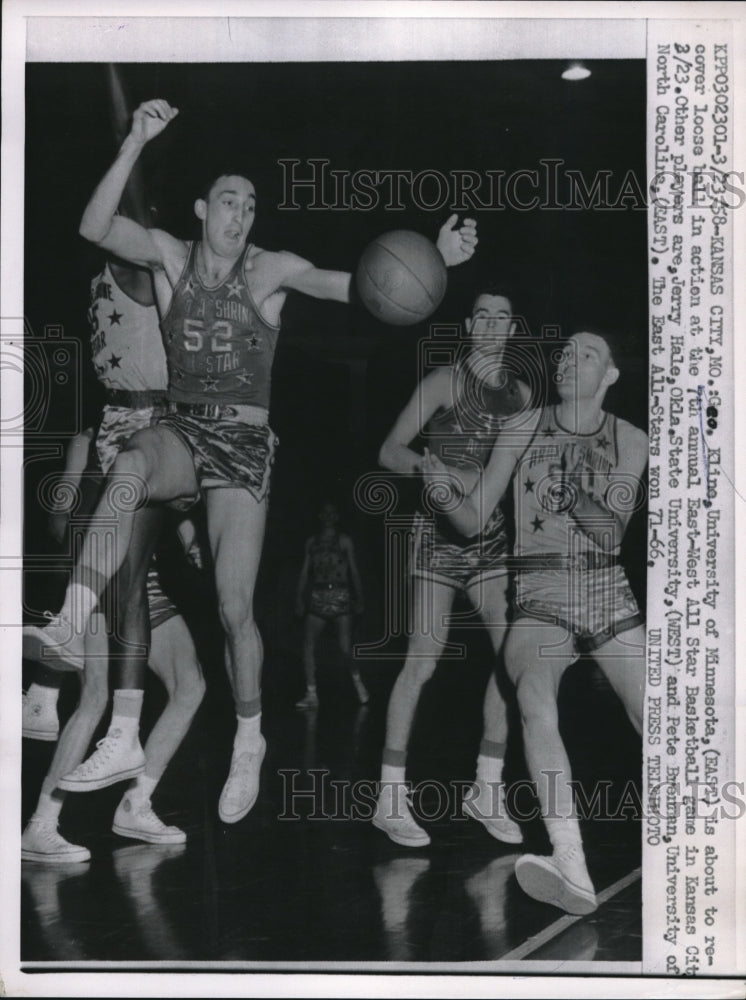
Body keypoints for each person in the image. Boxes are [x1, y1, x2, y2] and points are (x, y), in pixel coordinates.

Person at [23, 98, 477, 825]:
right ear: (204, 209)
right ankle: (73, 623)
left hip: (241, 446)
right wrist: (136, 140)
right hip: (181, 429)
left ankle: (249, 739)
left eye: (251, 205)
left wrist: (436, 259)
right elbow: (93, 226)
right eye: (230, 202)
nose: (241, 215)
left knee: (235, 608)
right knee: (130, 467)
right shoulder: (170, 255)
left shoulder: (270, 271)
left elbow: (361, 289)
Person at [424, 330, 646, 912]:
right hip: (538, 586)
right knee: (533, 698)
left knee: (660, 715)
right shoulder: (522, 426)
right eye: (566, 353)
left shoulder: (632, 438)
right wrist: (445, 493)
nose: (572, 360)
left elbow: (609, 533)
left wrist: (571, 490)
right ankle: (570, 860)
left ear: (611, 375)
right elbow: (473, 520)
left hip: (604, 585)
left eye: (589, 354)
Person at [22, 259, 206, 863]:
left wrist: (185, 537)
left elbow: (154, 503)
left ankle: (136, 804)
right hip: (114, 576)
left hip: (138, 570)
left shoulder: (140, 424)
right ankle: (41, 823)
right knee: (98, 693)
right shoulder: (132, 420)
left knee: (191, 685)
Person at [372, 287, 532, 847]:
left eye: (501, 316)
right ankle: (390, 797)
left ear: (512, 330)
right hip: (438, 536)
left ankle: (486, 785)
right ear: (469, 326)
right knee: (422, 660)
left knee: (515, 657)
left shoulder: (522, 395)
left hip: (490, 541)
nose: (490, 324)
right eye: (481, 314)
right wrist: (429, 472)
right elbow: (389, 449)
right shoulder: (444, 381)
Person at [294, 500, 366, 708]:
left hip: (340, 594)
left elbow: (353, 570)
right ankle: (311, 693)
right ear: (320, 517)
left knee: (345, 646)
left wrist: (360, 597)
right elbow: (304, 572)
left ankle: (359, 684)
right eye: (324, 513)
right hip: (318, 594)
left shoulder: (344, 541)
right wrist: (299, 597)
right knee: (307, 645)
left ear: (337, 517)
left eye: (332, 513)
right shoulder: (311, 542)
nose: (328, 517)